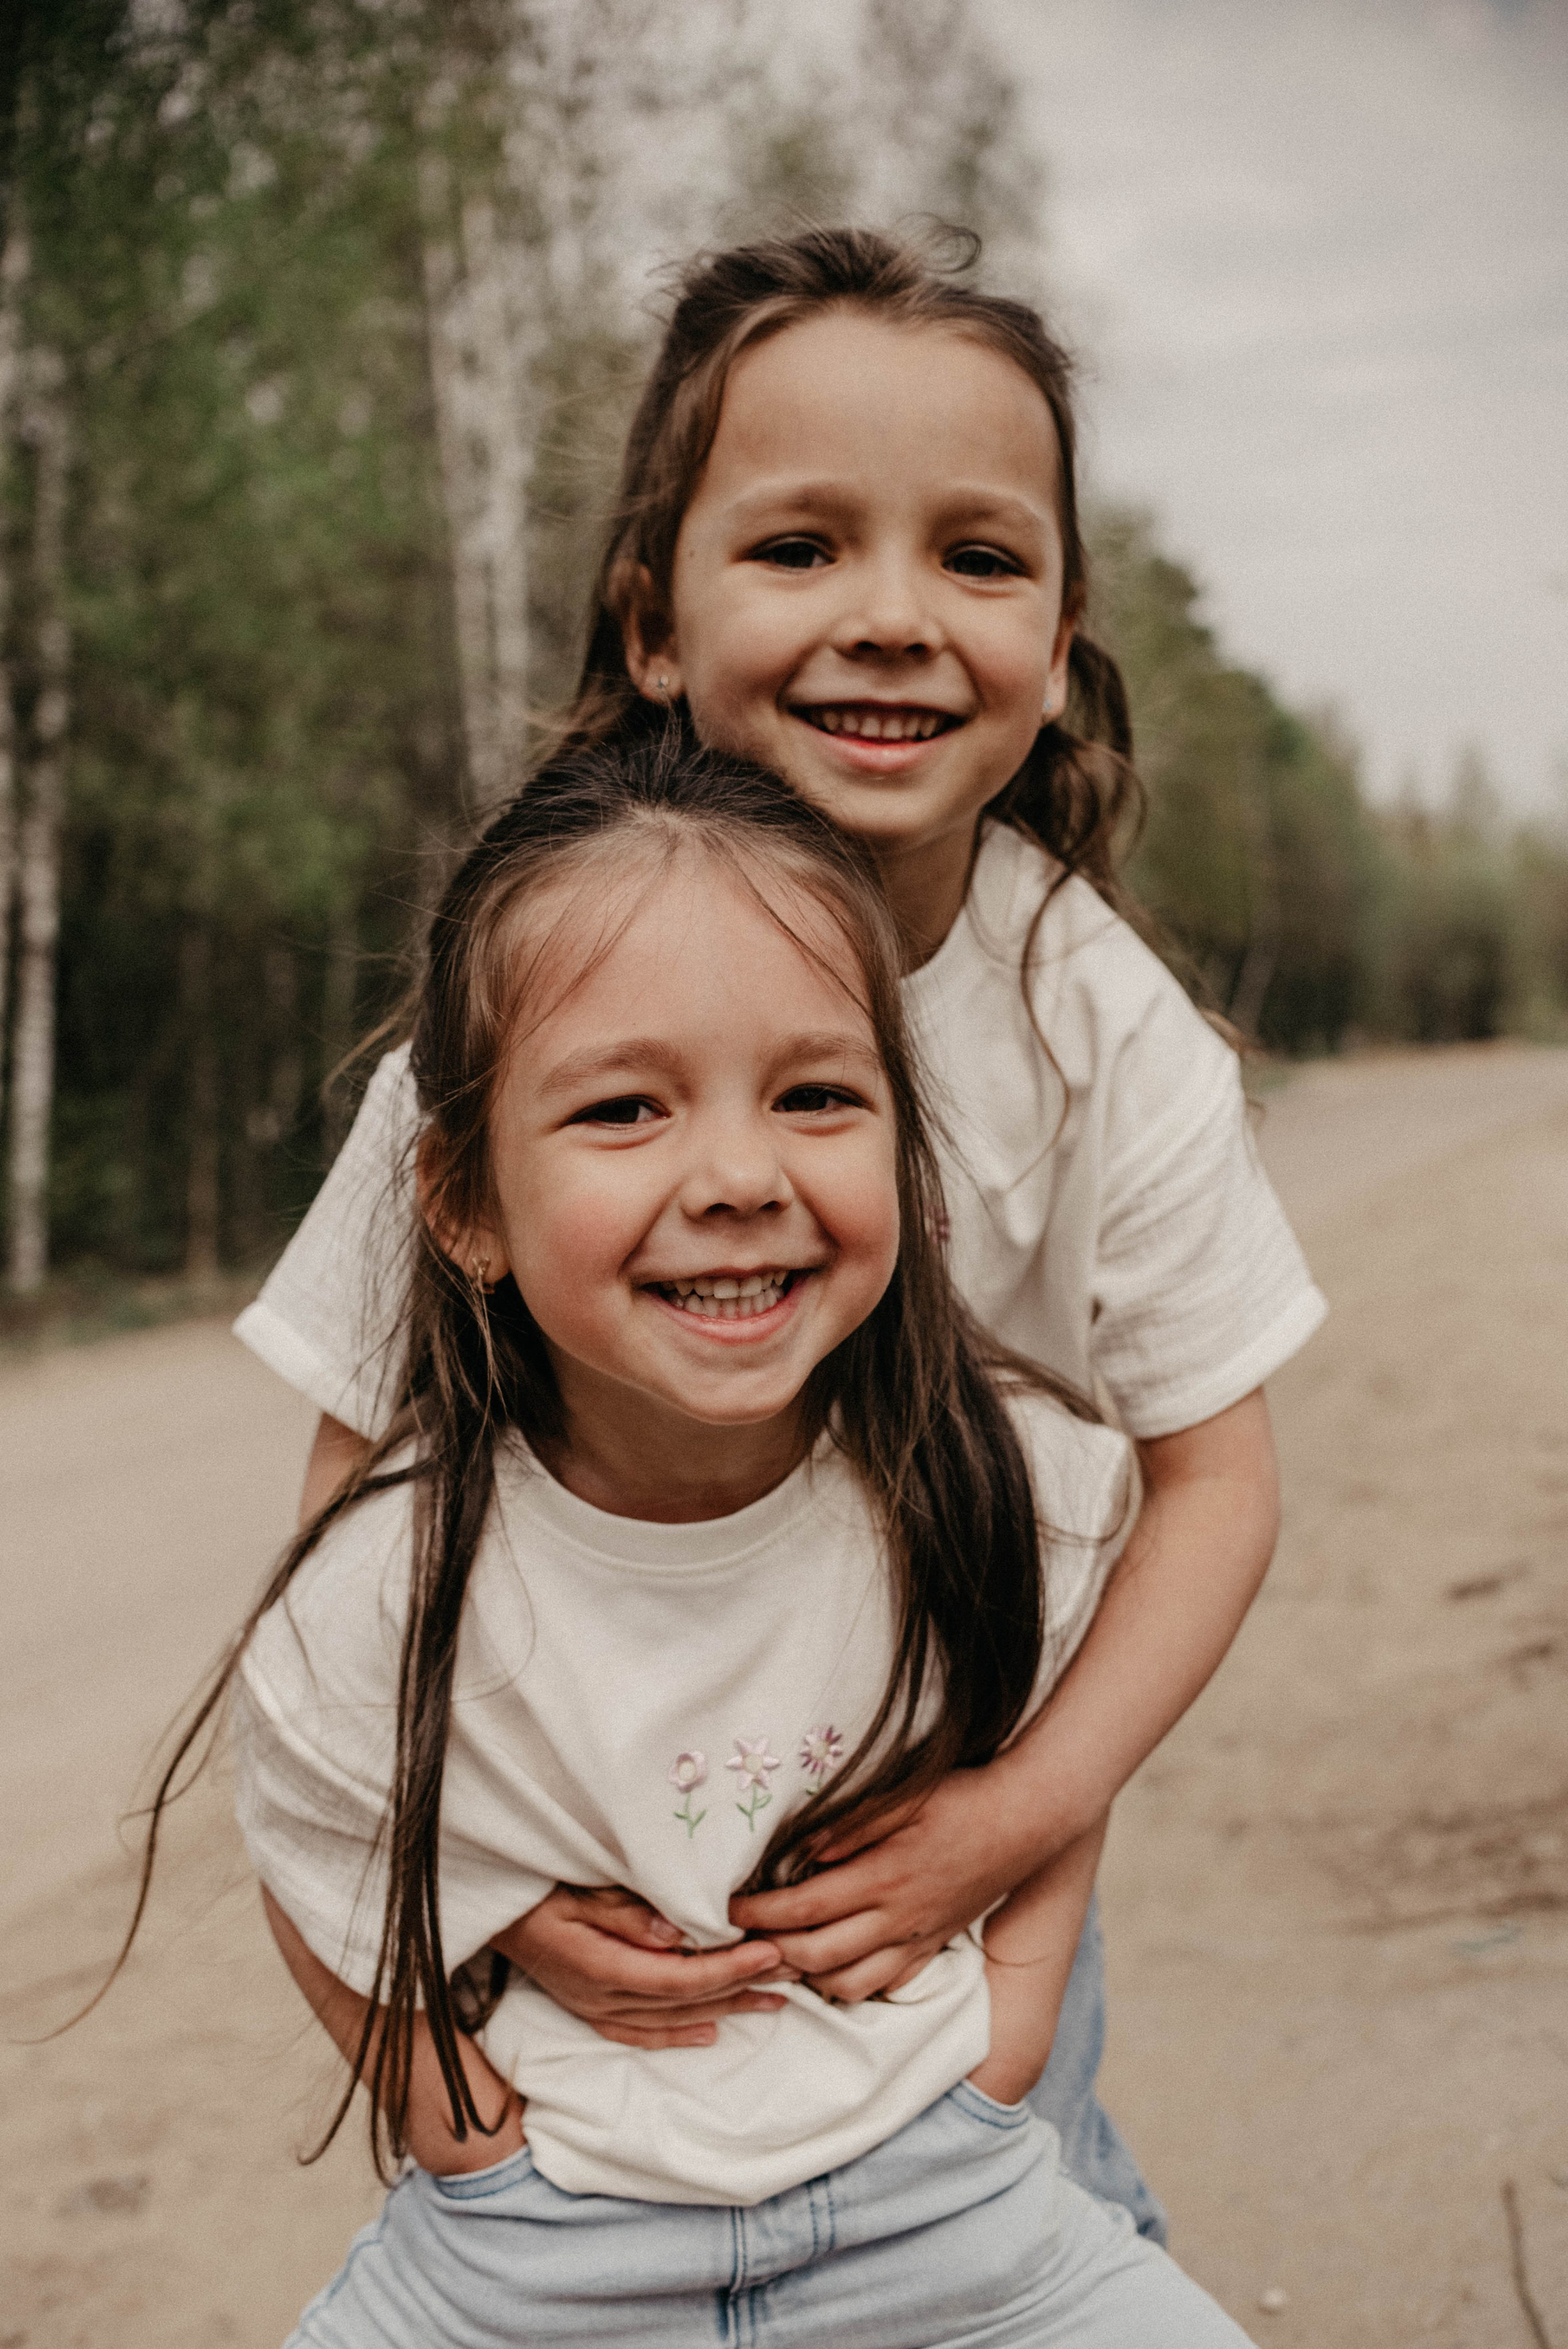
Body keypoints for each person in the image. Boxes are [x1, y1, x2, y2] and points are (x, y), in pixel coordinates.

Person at [233, 224, 1325, 2241]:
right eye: (803, 548)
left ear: (1067, 635)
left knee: (1012, 2226)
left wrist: (1012, 1819)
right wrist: (473, 1879)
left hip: (931, 1845)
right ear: (654, 622)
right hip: (581, 1833)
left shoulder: (1108, 1043)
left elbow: (1217, 1488)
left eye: (977, 559)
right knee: (601, 2261)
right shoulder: (526, 1006)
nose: (895, 619)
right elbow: (357, 1491)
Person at [224, 736, 1256, 2345]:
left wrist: (1017, 2018)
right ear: (464, 1202)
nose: (737, 1176)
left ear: (911, 1162)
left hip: (949, 2203)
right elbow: (304, 1797)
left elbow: (1067, 1715)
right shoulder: (395, 1572)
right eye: (626, 1107)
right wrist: (444, 2110)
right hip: (534, 2250)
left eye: (817, 1095)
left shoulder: (1000, 1483)